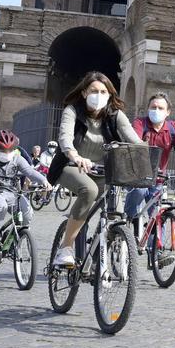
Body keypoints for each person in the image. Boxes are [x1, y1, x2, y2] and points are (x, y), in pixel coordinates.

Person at [46, 72, 144, 268]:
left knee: (115, 211)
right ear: (83, 93)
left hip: (103, 171)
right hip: (71, 167)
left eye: (103, 92)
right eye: (93, 91)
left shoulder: (116, 115)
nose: (98, 95)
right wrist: (75, 156)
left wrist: (147, 155)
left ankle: (101, 253)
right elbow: (65, 138)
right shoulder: (72, 111)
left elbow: (135, 141)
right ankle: (66, 248)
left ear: (109, 95)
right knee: (88, 191)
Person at [125, 91, 175, 238]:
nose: (156, 111)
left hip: (158, 179)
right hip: (138, 177)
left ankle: (157, 253)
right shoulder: (140, 123)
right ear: (148, 109)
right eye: (153, 107)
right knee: (138, 193)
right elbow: (135, 145)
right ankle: (130, 220)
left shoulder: (173, 128)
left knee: (158, 215)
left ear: (168, 112)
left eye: (160, 108)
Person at [0, 130, 51, 259]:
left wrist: (44, 180)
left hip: (11, 193)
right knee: (0, 206)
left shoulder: (17, 159)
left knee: (26, 214)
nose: (7, 154)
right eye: (3, 151)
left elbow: (29, 172)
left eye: (10, 150)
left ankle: (12, 240)